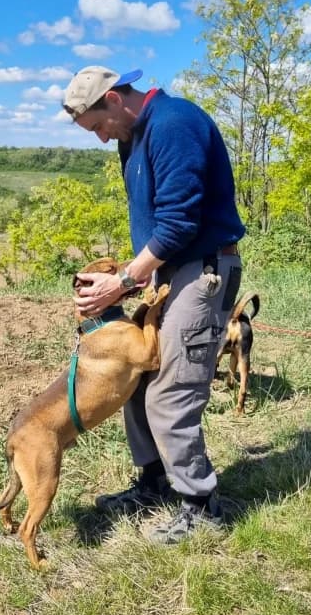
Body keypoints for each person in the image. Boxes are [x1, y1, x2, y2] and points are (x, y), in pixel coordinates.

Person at [62, 65, 246, 544]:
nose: (103, 139)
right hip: (173, 270)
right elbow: (157, 223)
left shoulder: (173, 124)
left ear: (116, 100)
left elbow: (181, 223)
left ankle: (202, 506)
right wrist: (135, 274)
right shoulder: (135, 136)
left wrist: (122, 282)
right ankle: (153, 483)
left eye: (100, 127)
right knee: (138, 380)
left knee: (172, 391)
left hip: (202, 270)